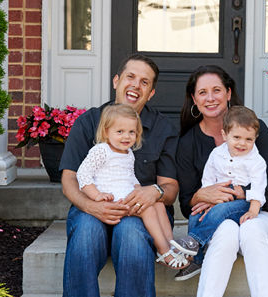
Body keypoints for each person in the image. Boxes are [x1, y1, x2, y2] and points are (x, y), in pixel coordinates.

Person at [57, 54, 179, 297]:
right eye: (130, 77)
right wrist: (90, 205)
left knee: (132, 234)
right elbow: (70, 177)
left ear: (151, 93)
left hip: (140, 211)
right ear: (116, 81)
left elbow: (170, 187)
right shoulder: (89, 122)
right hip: (95, 205)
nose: (135, 85)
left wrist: (152, 192)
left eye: (144, 81)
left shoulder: (163, 127)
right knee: (84, 232)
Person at [176, 65, 268, 297]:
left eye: (216, 90)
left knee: (250, 232)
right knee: (225, 232)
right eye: (202, 92)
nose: (210, 98)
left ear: (228, 93)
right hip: (217, 222)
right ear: (194, 100)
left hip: (258, 215)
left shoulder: (253, 127)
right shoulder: (187, 144)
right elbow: (188, 203)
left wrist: (242, 194)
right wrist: (203, 194)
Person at [76, 104, 187, 269]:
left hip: (126, 193)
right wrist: (96, 196)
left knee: (159, 205)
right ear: (107, 132)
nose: (126, 136)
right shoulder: (101, 150)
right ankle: (163, 252)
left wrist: (138, 188)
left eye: (131, 132)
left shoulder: (128, 153)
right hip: (115, 201)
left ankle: (171, 245)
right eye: (119, 131)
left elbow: (130, 176)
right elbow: (82, 174)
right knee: (148, 209)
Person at [170, 106, 267, 265]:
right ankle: (196, 261)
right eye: (236, 137)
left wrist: (253, 211)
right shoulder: (216, 154)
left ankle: (194, 240)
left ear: (255, 138)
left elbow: (258, 188)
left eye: (249, 139)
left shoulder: (256, 161)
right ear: (225, 135)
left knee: (220, 210)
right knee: (196, 212)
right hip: (217, 197)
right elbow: (208, 178)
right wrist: (208, 199)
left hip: (243, 203)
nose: (242, 143)